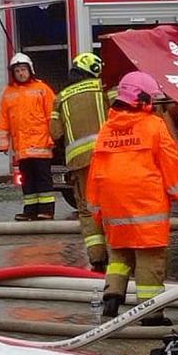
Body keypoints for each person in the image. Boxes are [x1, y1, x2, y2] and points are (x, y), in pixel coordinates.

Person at [89, 72, 178, 324]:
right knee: (150, 259)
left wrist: (96, 209)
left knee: (119, 256)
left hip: (114, 208)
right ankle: (151, 314)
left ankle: (111, 300)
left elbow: (95, 172)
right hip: (147, 207)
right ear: (142, 99)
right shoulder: (153, 126)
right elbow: (171, 164)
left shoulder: (107, 129)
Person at [51, 52, 108, 267]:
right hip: (108, 156)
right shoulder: (102, 88)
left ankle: (97, 257)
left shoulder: (60, 97)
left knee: (87, 209)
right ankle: (121, 254)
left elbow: (55, 133)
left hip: (79, 162)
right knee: (112, 205)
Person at [0, 52, 58, 220]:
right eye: (17, 71)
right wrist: (4, 144)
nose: (20, 73)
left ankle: (46, 210)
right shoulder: (8, 93)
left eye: (23, 69)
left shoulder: (42, 89)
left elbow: (52, 116)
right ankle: (30, 210)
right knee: (27, 180)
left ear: (30, 70)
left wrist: (52, 138)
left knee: (43, 179)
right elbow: (3, 121)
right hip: (22, 148)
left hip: (41, 145)